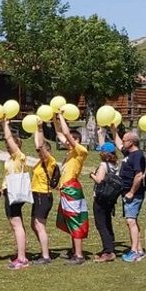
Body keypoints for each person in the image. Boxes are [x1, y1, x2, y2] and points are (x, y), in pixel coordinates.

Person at [3, 119, 56, 264]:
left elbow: (39, 145)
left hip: (43, 195)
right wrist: (36, 130)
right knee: (35, 225)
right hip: (36, 195)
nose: (39, 151)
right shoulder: (39, 162)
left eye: (43, 149)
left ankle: (42, 256)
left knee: (38, 225)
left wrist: (39, 128)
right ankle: (42, 253)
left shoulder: (49, 160)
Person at [52, 111, 91, 264]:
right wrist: (54, 119)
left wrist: (61, 115)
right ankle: (75, 251)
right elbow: (60, 134)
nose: (69, 141)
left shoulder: (81, 151)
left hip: (72, 189)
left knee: (75, 221)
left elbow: (66, 134)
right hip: (66, 190)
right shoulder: (70, 152)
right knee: (69, 221)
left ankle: (79, 255)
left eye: (73, 140)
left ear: (78, 141)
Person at [117, 131, 146, 261]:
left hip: (133, 194)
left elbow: (139, 175)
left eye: (124, 140)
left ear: (131, 142)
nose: (123, 143)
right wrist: (113, 130)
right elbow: (118, 145)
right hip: (126, 192)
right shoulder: (129, 154)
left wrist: (132, 192)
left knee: (131, 221)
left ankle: (134, 251)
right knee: (131, 220)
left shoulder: (137, 156)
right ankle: (139, 249)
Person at [90, 140, 120, 262]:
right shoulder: (115, 165)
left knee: (101, 224)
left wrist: (92, 174)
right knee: (107, 223)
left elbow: (99, 180)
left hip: (101, 198)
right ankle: (110, 246)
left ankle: (108, 251)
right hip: (110, 198)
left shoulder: (103, 165)